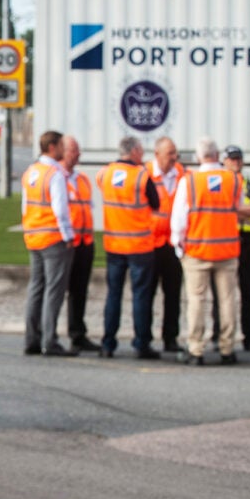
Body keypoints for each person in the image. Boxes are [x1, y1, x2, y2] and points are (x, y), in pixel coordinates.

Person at [170, 138, 241, 365]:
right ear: (218, 155)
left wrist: (178, 244)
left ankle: (196, 348)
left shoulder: (189, 182)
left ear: (199, 157)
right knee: (228, 300)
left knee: (196, 300)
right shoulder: (233, 180)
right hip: (227, 249)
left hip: (198, 250)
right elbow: (236, 207)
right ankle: (227, 348)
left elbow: (179, 218)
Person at [96, 136, 161, 359]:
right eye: (141, 150)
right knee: (140, 297)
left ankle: (108, 344)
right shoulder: (142, 175)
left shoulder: (104, 173)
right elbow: (156, 203)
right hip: (139, 245)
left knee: (113, 295)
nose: (143, 154)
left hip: (114, 244)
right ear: (134, 151)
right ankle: (142, 343)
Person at [21, 130, 77, 356]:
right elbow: (60, 209)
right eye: (62, 145)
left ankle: (32, 339)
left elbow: (25, 206)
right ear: (53, 147)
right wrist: (68, 235)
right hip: (53, 238)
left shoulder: (31, 172)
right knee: (54, 290)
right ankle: (49, 340)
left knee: (36, 288)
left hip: (34, 236)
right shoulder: (54, 173)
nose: (64, 149)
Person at [210, 145, 250, 350]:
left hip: (249, 242)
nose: (235, 162)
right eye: (231, 159)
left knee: (249, 292)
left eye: (238, 159)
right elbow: (219, 210)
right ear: (223, 161)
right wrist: (246, 211)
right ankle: (219, 334)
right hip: (227, 241)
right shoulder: (218, 183)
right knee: (222, 294)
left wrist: (235, 210)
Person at [147, 137, 185, 352]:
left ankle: (170, 338)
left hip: (173, 244)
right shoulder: (145, 174)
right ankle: (144, 338)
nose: (174, 157)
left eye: (175, 153)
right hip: (150, 244)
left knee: (173, 295)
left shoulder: (182, 174)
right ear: (157, 154)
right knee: (147, 294)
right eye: (170, 153)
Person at [62, 134, 99, 353]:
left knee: (80, 290)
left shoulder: (82, 178)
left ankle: (78, 333)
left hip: (85, 242)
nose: (78, 154)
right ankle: (46, 335)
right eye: (74, 150)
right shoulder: (57, 177)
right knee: (57, 291)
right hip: (67, 243)